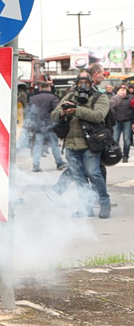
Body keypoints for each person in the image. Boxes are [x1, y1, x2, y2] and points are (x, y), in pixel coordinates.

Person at [50, 72, 111, 219]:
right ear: (76, 84)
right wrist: (63, 112)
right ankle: (86, 208)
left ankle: (104, 203)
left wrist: (77, 110)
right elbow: (54, 115)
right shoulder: (70, 96)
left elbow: (98, 116)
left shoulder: (100, 97)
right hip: (71, 144)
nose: (83, 86)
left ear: (91, 83)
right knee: (78, 177)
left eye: (86, 83)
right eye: (80, 83)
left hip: (91, 143)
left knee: (93, 173)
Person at [26, 82, 66, 172]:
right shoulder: (53, 97)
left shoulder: (33, 98)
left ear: (40, 87)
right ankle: (59, 163)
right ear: (49, 87)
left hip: (38, 127)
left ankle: (36, 165)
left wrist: (31, 125)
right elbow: (56, 111)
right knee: (54, 145)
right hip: (50, 126)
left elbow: (29, 112)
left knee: (37, 146)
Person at [110, 84, 133, 163]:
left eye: (124, 89)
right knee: (115, 139)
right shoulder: (114, 98)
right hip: (117, 120)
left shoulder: (131, 98)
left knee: (127, 140)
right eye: (121, 89)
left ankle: (125, 156)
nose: (123, 90)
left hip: (128, 120)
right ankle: (117, 154)